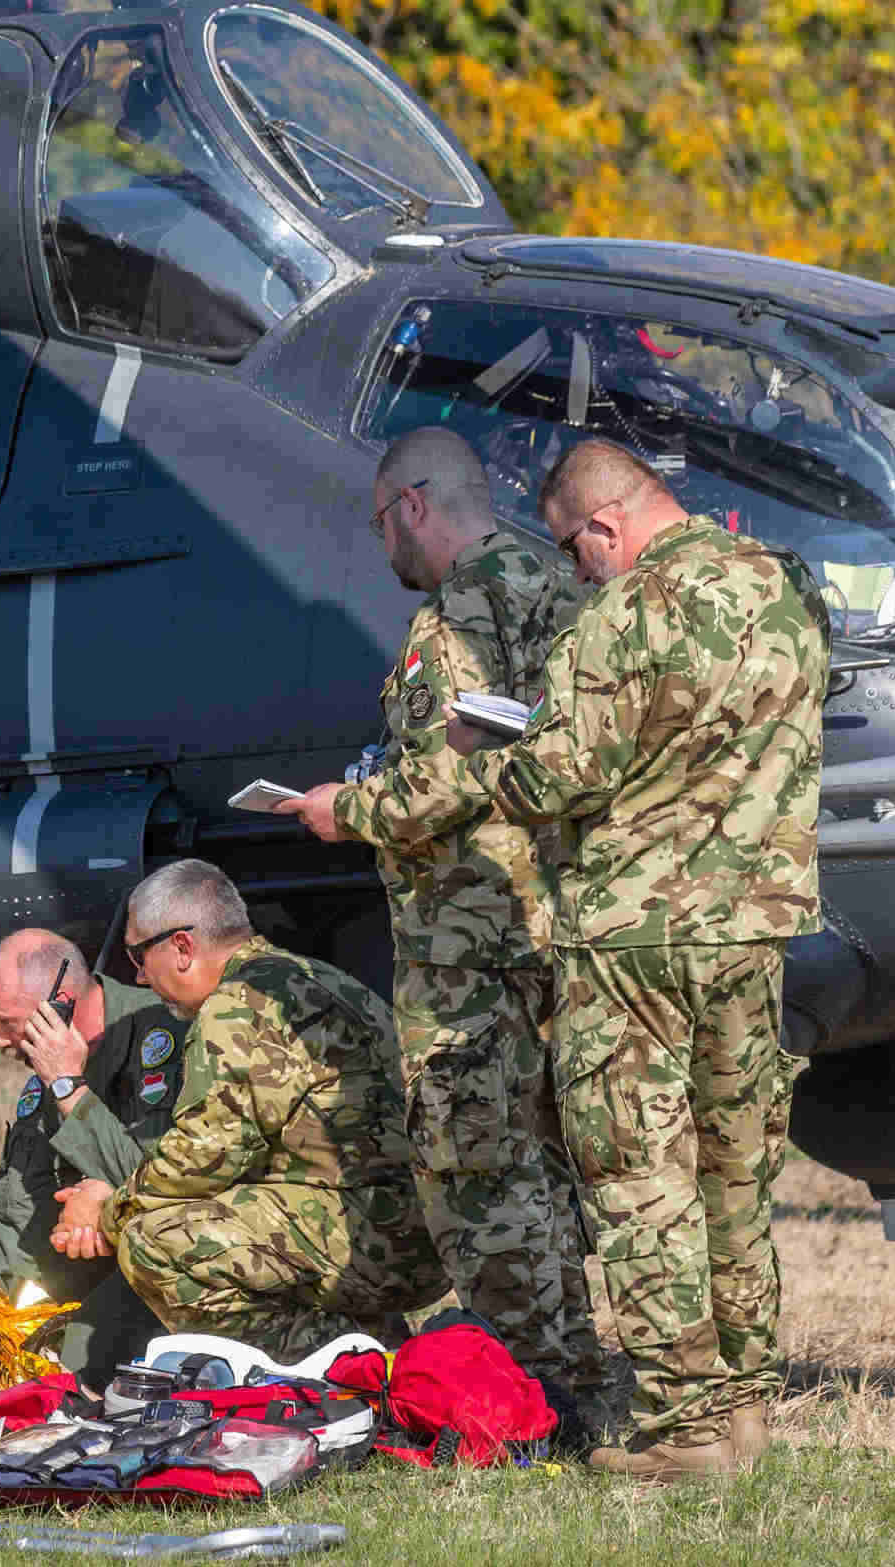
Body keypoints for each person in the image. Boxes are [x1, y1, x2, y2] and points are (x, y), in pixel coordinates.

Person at [304, 437, 825, 1483]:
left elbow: (563, 771)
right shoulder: (783, 587)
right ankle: (744, 1408)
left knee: (642, 1177)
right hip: (756, 925)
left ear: (606, 524)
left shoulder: (625, 613)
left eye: (579, 549)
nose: (578, 572)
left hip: (634, 934)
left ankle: (685, 1428)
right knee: (734, 1173)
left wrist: (422, 785)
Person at [293, 428, 606, 1406]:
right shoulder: (559, 586)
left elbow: (446, 778)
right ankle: (577, 1377)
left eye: (381, 523)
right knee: (541, 1168)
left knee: (475, 1172)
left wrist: (343, 809)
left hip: (470, 941)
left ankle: (531, 1394)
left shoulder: (464, 606)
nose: (384, 546)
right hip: (555, 925)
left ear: (413, 506)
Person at [48, 860, 442, 1360]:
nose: (140, 977)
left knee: (155, 1241)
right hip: (418, 1228)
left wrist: (107, 1213)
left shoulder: (236, 1006)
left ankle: (320, 1371)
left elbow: (201, 1159)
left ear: (182, 947)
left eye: (138, 956)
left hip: (373, 1238)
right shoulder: (317, 977)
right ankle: (377, 1349)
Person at [0, 928, 185, 1379]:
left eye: (7, 1023)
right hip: (69, 1264)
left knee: (79, 1358)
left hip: (161, 1267)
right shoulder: (46, 1064)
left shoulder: (168, 1036)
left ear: (61, 1004)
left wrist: (68, 1088)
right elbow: (19, 1206)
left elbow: (162, 1185)